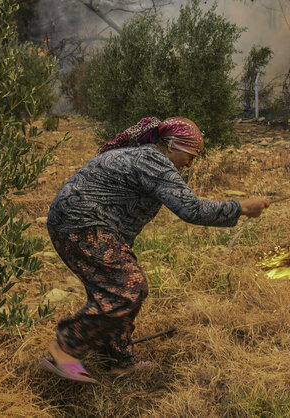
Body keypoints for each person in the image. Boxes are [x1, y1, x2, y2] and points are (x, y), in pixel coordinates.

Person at [41, 116, 269, 382]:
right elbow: (191, 210)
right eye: (191, 154)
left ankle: (121, 361)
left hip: (74, 224)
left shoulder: (146, 158)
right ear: (171, 145)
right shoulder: (153, 161)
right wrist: (241, 207)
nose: (192, 162)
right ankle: (65, 347)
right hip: (81, 224)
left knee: (117, 291)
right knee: (129, 287)